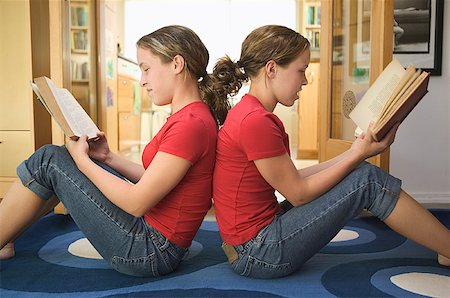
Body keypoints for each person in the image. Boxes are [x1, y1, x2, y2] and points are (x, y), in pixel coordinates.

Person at [212, 24, 450, 279]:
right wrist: (358, 154)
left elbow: (296, 177)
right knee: (367, 182)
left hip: (251, 244)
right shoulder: (255, 121)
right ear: (271, 69)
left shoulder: (249, 113)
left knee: (358, 172)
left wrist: (356, 153)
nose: (304, 81)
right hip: (259, 252)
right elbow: (299, 193)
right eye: (301, 71)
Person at [0, 25, 231, 277]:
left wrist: (82, 161)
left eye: (146, 69)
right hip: (154, 239)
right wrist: (107, 157)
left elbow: (136, 202)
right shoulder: (191, 118)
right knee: (62, 159)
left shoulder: (190, 124)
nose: (142, 80)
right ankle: (6, 236)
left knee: (49, 161)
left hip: (149, 250)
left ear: (176, 64)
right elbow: (156, 180)